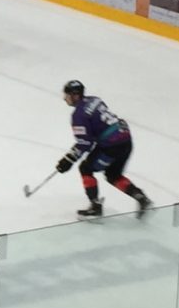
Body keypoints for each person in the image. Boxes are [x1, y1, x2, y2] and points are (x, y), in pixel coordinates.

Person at [55, 80, 152, 219]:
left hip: (112, 145)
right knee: (113, 175)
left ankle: (95, 206)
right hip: (126, 139)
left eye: (67, 95)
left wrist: (67, 160)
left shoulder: (78, 115)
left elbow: (85, 143)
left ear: (75, 95)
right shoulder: (95, 99)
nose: (65, 98)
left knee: (86, 168)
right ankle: (141, 198)